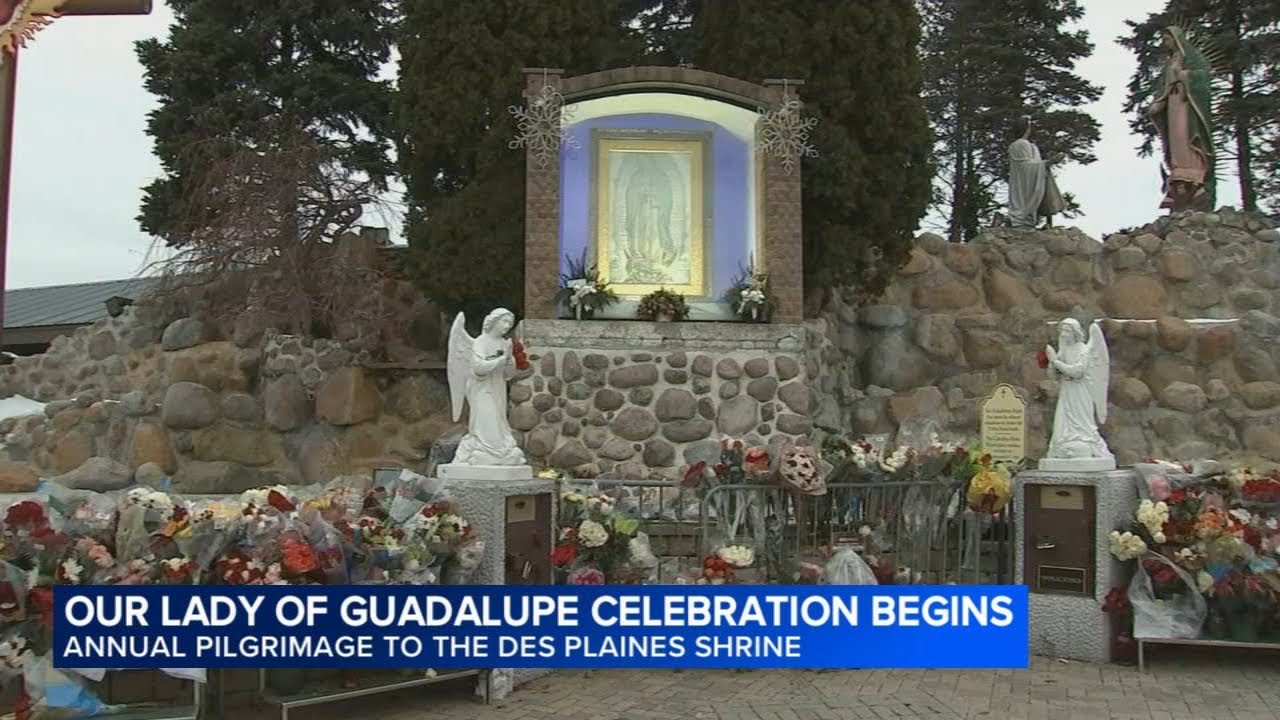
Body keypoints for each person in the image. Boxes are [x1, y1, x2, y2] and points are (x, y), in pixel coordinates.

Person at [447, 309, 526, 466]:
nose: (507, 326)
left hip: (498, 388)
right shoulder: (480, 342)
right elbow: (478, 368)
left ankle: (497, 454)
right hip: (481, 389)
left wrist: (509, 359)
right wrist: (501, 359)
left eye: (509, 324)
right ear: (493, 321)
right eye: (504, 321)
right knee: (486, 420)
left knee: (498, 422)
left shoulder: (505, 344)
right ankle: (485, 451)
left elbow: (509, 373)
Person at [1149, 26, 1215, 211]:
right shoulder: (1170, 62)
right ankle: (1178, 179)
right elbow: (1164, 88)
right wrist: (1159, 103)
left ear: (1177, 39)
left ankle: (1193, 177)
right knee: (1176, 139)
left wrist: (1185, 76)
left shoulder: (1191, 58)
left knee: (1187, 136)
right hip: (1173, 104)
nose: (1165, 43)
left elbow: (1203, 77)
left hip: (1188, 105)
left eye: (1168, 39)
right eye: (1163, 40)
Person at [1044, 319, 1112, 464]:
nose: (1063, 334)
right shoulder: (1064, 350)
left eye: (1067, 331)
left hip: (1080, 392)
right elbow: (1054, 376)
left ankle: (1084, 443)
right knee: (1063, 420)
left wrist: (1056, 361)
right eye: (1062, 330)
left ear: (1075, 333)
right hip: (1066, 391)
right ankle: (1062, 446)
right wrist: (1051, 361)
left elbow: (1077, 372)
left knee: (1081, 422)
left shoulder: (1084, 349)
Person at [1007, 117, 1065, 229]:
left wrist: (1045, 164)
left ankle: (1027, 219)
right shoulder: (1021, 144)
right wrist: (1048, 162)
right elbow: (1025, 166)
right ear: (1026, 129)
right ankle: (1022, 219)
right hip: (1024, 181)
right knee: (1023, 204)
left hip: (1023, 181)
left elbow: (1028, 165)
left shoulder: (1026, 145)